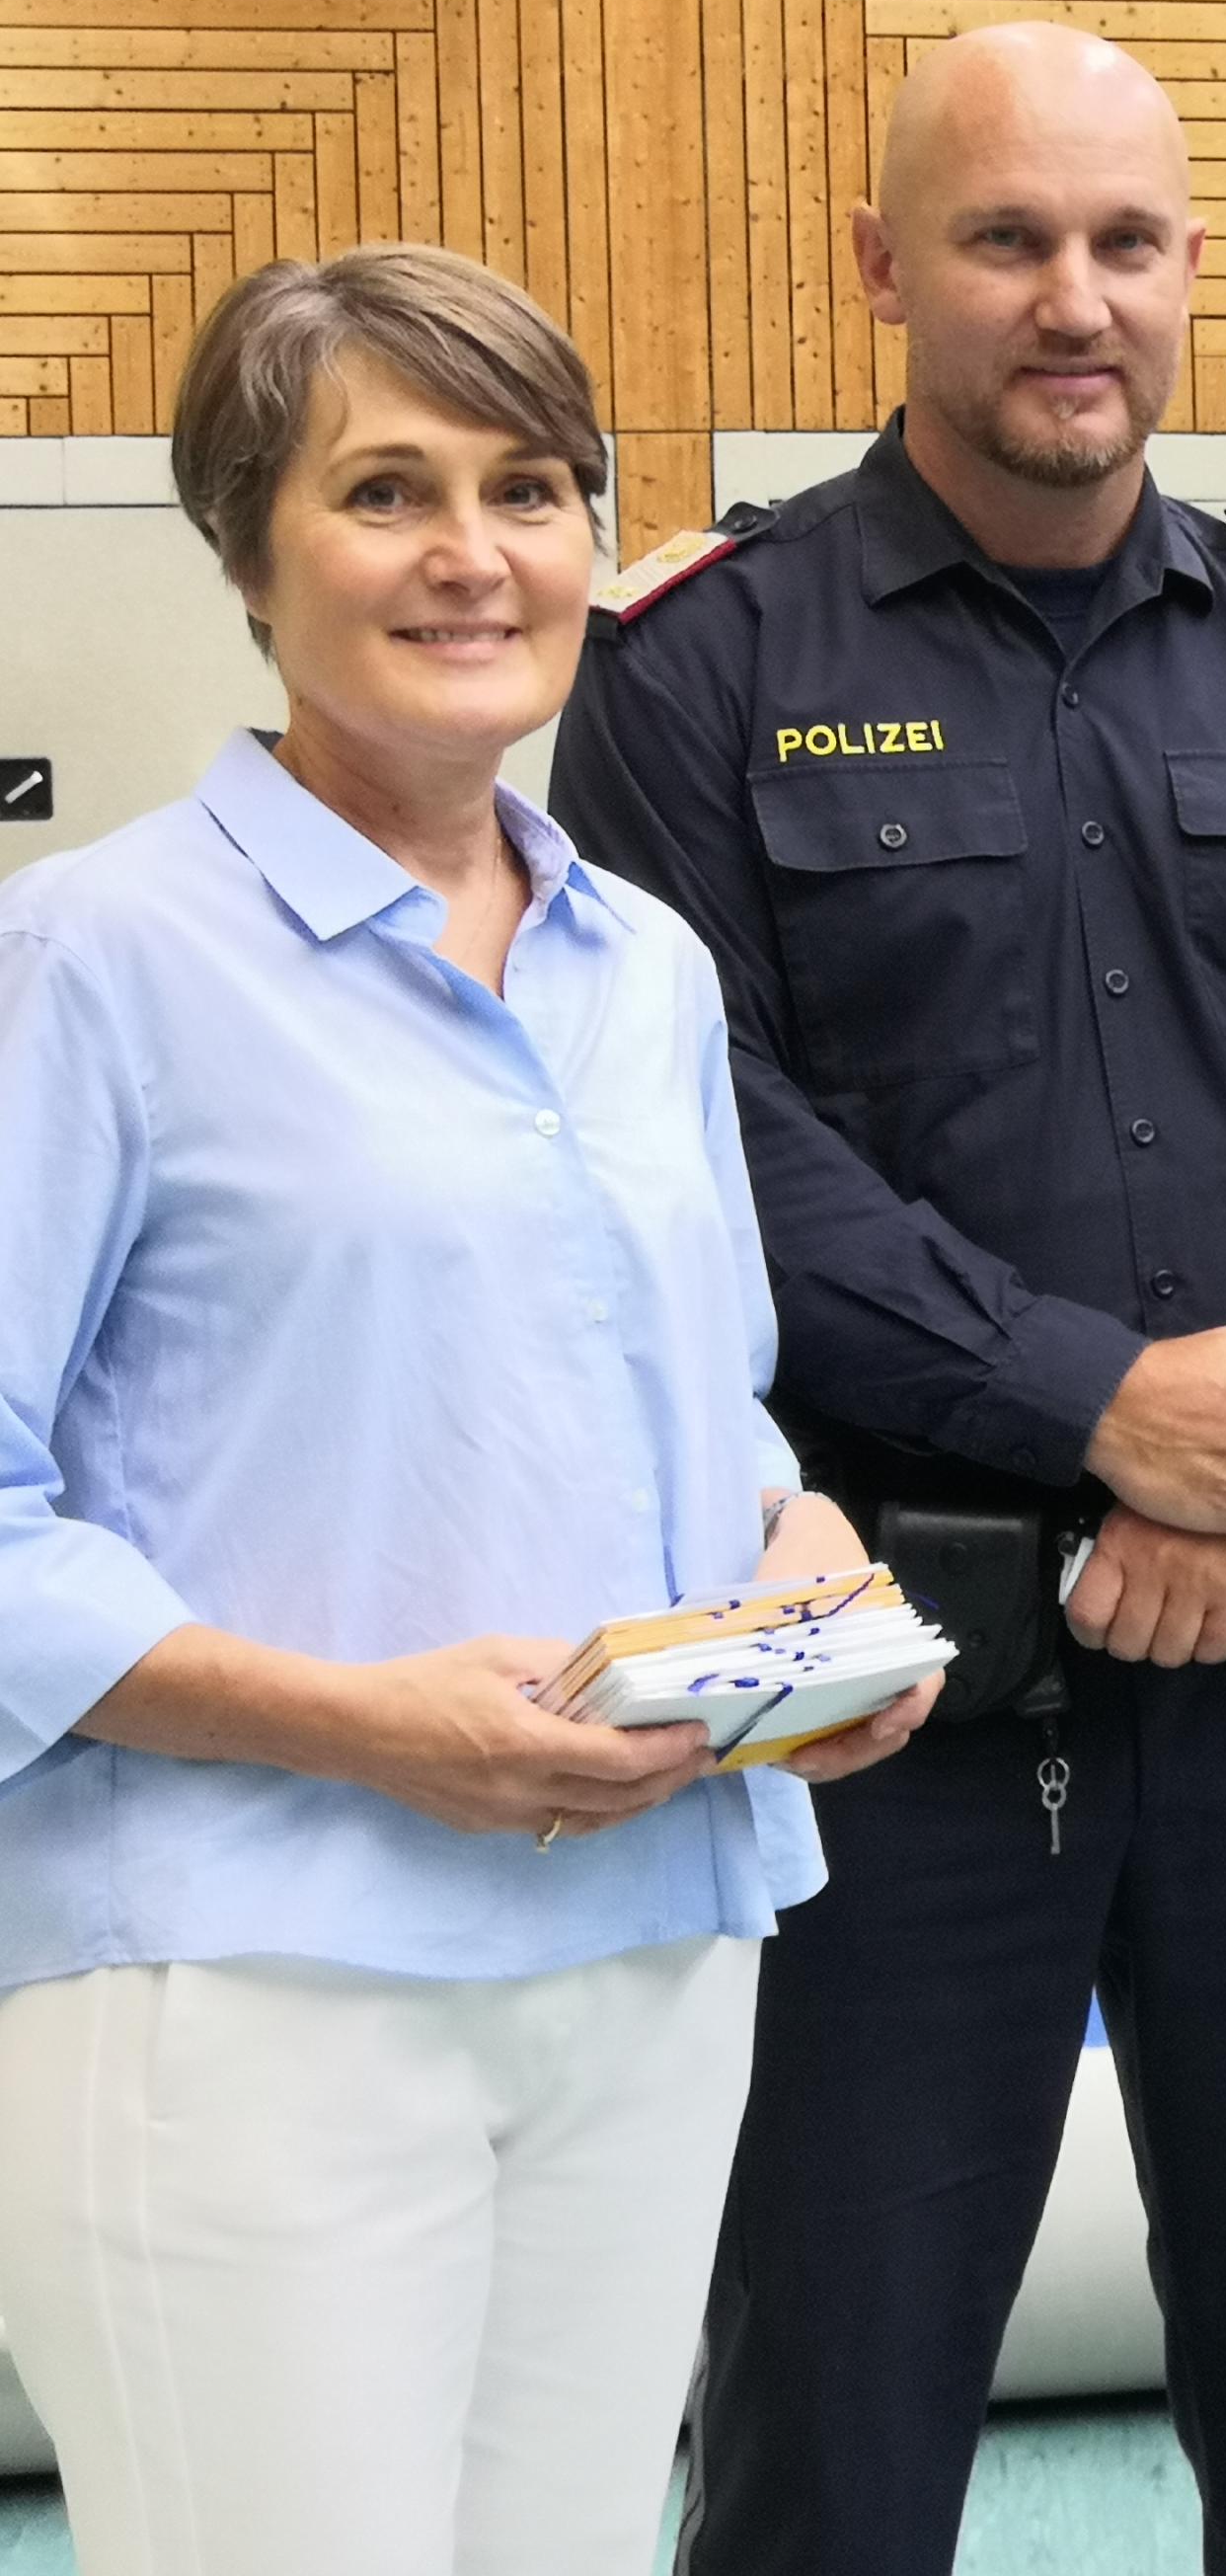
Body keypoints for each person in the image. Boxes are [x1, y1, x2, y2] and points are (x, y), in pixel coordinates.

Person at [550, 23, 1226, 2576]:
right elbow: (700, 1142)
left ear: (1191, 270)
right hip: (877, 1715)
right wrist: (1102, 1405)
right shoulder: (697, 671)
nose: (1071, 300)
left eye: (1122, 242)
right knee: (825, 2453)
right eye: (1005, 240)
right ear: (885, 268)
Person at [0, 246, 930, 2576]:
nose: (472, 556)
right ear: (248, 551)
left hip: (646, 1956)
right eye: (385, 491)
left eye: (529, 489)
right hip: (252, 1984)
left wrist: (798, 1561)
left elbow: (699, 1398)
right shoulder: (92, 961)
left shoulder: (647, 968)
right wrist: (363, 1727)